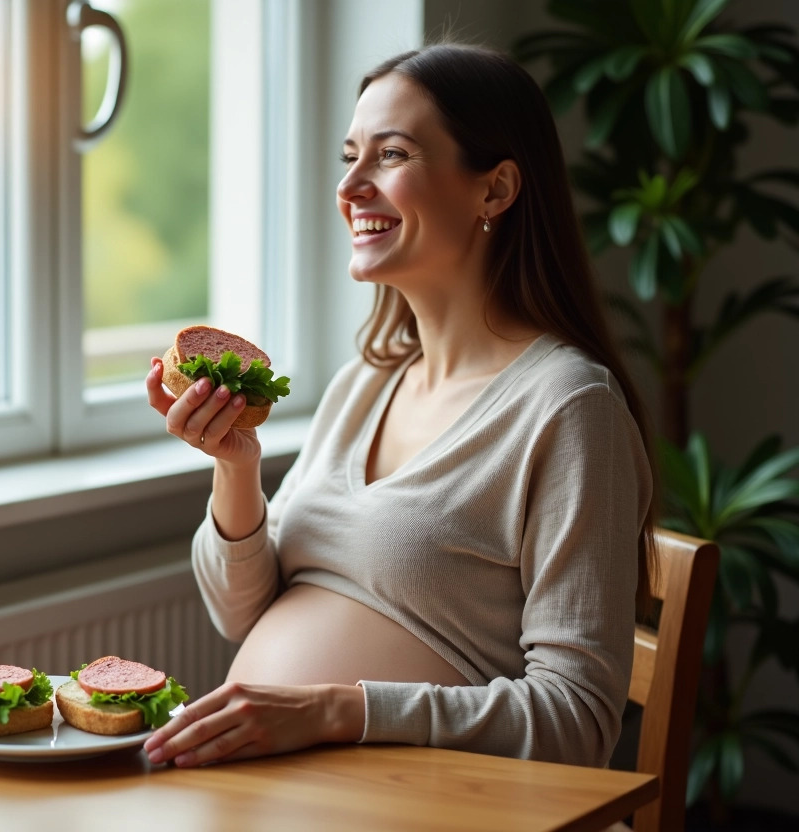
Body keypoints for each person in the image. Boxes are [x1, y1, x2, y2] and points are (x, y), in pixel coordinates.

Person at [141, 42, 657, 770]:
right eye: (349, 155)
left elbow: (577, 723)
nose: (351, 185)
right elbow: (238, 615)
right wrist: (236, 469)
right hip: (276, 800)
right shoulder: (365, 383)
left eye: (391, 155)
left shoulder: (570, 408)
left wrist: (335, 708)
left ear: (496, 189)